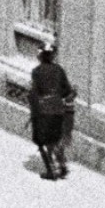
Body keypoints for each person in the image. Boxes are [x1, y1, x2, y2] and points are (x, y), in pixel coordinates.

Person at [28, 46, 77, 179]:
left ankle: (51, 170)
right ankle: (62, 166)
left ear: (41, 56)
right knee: (56, 139)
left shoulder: (36, 72)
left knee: (43, 141)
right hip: (58, 110)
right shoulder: (59, 70)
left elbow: (34, 93)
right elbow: (67, 90)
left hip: (43, 111)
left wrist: (34, 110)